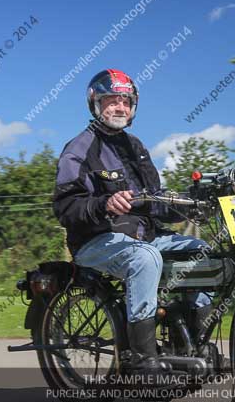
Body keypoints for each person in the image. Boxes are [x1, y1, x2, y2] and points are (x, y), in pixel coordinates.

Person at [52, 68, 212, 376]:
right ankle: (142, 361)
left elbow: (155, 203)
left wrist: (190, 207)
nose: (119, 107)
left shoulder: (135, 147)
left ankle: (195, 346)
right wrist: (104, 204)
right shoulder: (80, 148)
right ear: (95, 104)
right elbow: (64, 206)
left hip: (144, 237)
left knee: (202, 250)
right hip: (95, 240)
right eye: (110, 100)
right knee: (146, 257)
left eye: (125, 101)